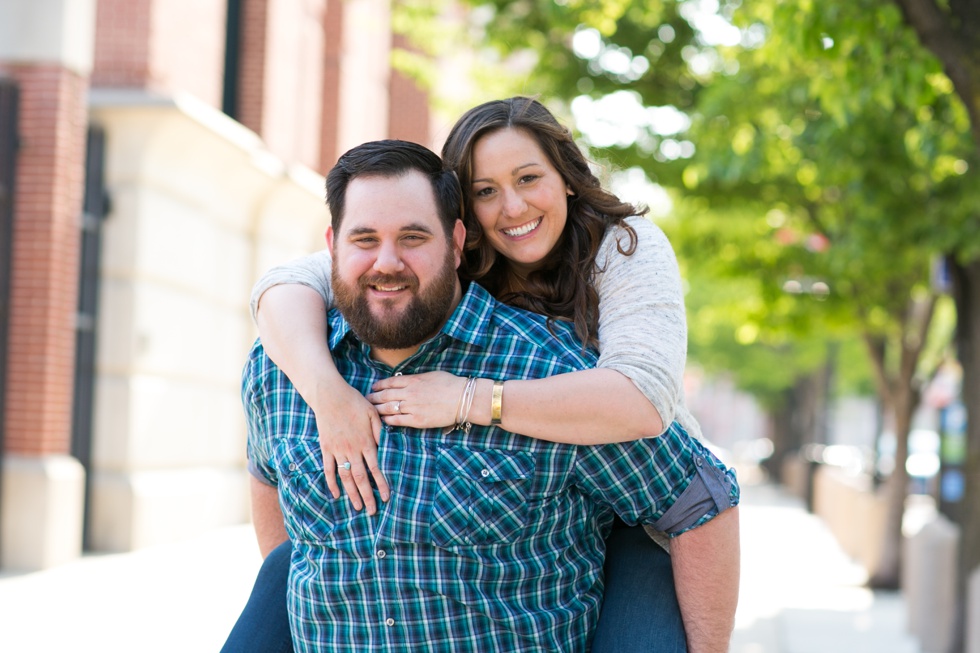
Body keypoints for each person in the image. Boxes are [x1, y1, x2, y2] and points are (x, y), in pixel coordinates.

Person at [236, 97, 741, 652]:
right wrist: (328, 396)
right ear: (466, 221)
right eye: (485, 191)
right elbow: (285, 287)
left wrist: (472, 399)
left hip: (637, 509)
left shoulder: (622, 252)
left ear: (567, 177)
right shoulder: (404, 276)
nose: (512, 206)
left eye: (529, 178)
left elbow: (645, 406)